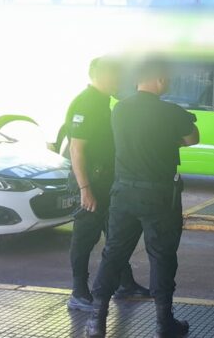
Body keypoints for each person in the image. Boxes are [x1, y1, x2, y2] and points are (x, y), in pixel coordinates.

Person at [85, 59, 199, 338]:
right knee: (161, 256)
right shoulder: (171, 111)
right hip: (159, 196)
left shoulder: (119, 109)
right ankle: (163, 323)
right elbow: (192, 138)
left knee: (113, 253)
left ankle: (96, 322)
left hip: (123, 193)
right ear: (159, 80)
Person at [65, 57, 150, 312]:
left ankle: (125, 283)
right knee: (84, 238)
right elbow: (76, 149)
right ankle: (79, 292)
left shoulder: (104, 103)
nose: (119, 81)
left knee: (116, 236)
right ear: (102, 76)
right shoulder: (86, 103)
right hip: (91, 184)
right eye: (116, 75)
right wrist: (85, 189)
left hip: (107, 183)